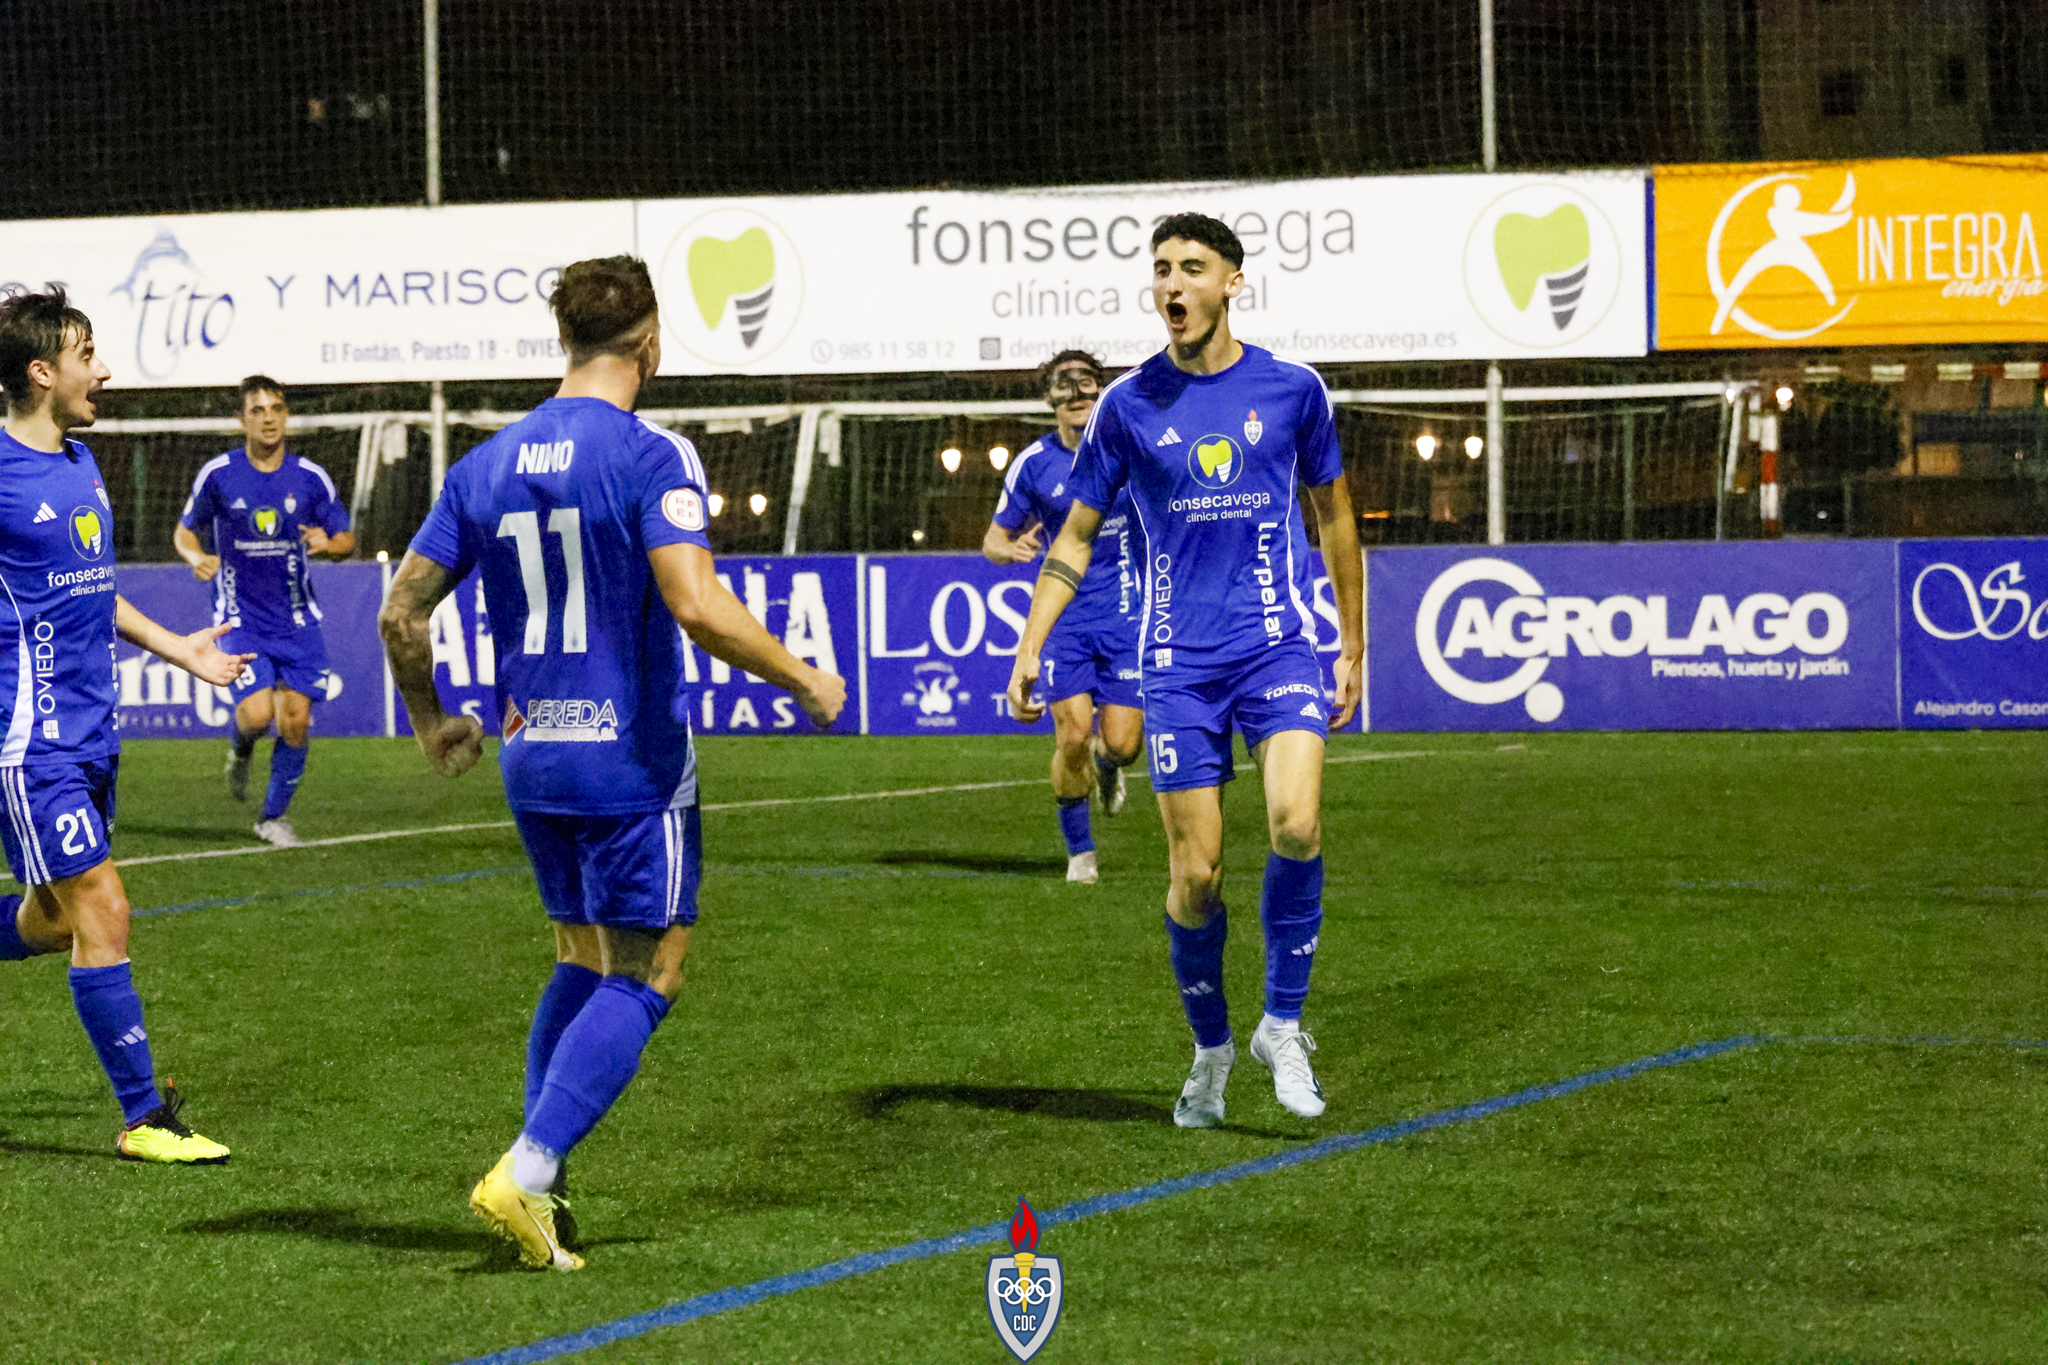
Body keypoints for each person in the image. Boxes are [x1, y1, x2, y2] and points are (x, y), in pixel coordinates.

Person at [379, 255, 846, 1271]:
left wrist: (428, 723)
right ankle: (531, 1168)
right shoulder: (648, 453)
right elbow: (694, 603)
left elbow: (399, 611)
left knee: (577, 959)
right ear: (648, 343)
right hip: (629, 763)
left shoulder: (483, 465)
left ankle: (543, 1183)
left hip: (533, 758)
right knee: (652, 969)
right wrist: (801, 675)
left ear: (566, 341)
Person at [1006, 214, 1364, 1127]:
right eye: (1160, 269)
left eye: (1192, 269)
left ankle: (1281, 1024)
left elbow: (1335, 520)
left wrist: (1352, 643)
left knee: (1296, 820)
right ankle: (1210, 1048)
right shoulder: (1128, 405)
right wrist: (1029, 644)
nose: (1172, 284)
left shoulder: (1293, 390)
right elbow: (1074, 537)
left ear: (1232, 283)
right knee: (1196, 875)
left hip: (1277, 647)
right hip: (1175, 666)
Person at [0, 286, 253, 1162]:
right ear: (42, 372)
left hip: (96, 738)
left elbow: (91, 592)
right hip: (31, 747)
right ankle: (146, 1116)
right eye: (85, 355)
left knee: (51, 919)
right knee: (103, 908)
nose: (102, 370)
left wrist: (181, 650)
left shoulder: (79, 464)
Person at [173, 376, 355, 847]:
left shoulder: (310, 478)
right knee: (256, 716)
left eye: (276, 408)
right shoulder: (218, 474)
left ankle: (271, 818)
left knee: (294, 721)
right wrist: (196, 558)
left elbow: (347, 537)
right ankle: (241, 751)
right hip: (239, 619)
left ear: (286, 415)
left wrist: (330, 544)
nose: (269, 417)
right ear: (242, 420)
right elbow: (185, 532)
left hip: (297, 622)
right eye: (258, 410)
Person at [983, 350, 1143, 884]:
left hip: (1128, 616)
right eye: (1064, 385)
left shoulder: (1130, 451)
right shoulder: (1034, 463)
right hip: (1066, 623)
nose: (1077, 394)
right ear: (1049, 397)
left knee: (1123, 744)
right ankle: (1080, 853)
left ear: (1101, 392)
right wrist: (1009, 552)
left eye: (1087, 384)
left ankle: (1109, 767)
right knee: (1071, 735)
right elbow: (993, 540)